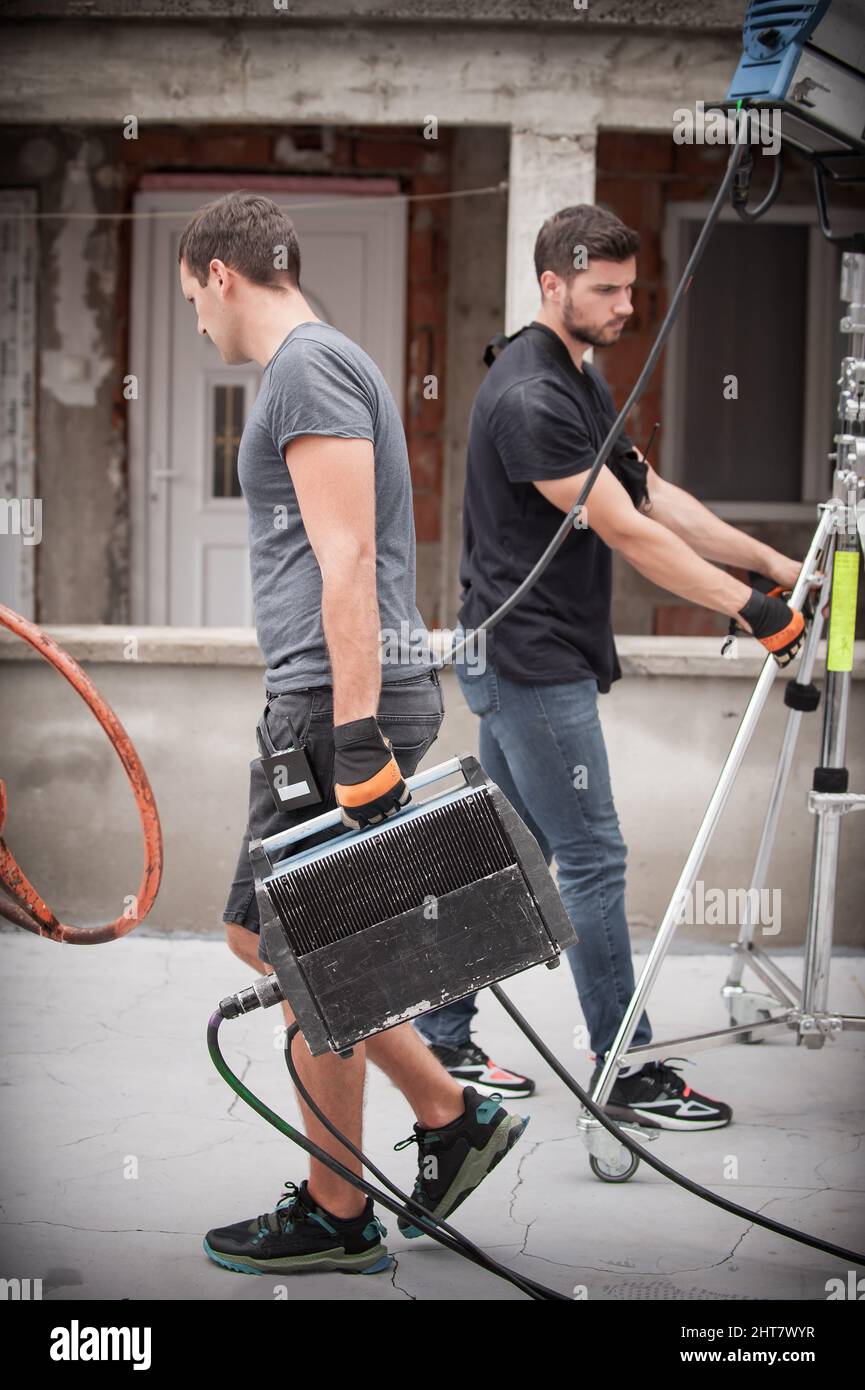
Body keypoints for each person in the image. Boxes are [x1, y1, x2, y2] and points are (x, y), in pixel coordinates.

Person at [178, 191, 527, 1276]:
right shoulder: (320, 365)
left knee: (290, 944)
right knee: (297, 941)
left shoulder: (304, 369)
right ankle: (443, 1114)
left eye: (193, 298)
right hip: (330, 699)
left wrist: (360, 731)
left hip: (334, 704)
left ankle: (342, 1208)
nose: (197, 323)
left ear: (223, 275)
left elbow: (343, 564)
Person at [414, 203, 806, 1131]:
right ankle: (622, 1068)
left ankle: (443, 1038)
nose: (626, 305)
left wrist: (775, 566)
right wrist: (751, 613)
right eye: (605, 290)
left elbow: (652, 492)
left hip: (525, 656)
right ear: (552, 285)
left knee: (517, 855)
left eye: (632, 289)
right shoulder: (529, 397)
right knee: (591, 857)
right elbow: (626, 530)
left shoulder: (578, 374)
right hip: (528, 661)